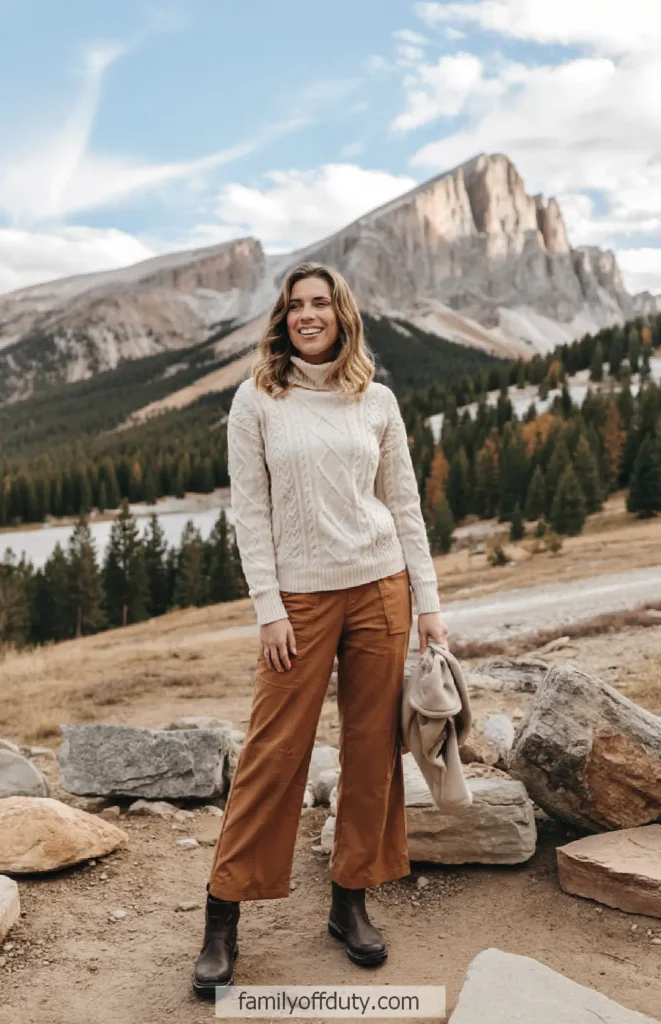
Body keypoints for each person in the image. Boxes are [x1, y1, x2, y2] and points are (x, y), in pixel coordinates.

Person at [193, 261, 449, 996]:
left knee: (371, 752)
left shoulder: (377, 400)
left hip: (380, 590)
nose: (307, 315)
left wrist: (426, 604)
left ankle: (350, 901)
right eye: (295, 304)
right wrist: (268, 607)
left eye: (320, 304)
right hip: (299, 602)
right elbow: (250, 512)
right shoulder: (257, 400)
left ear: (341, 314)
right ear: (283, 318)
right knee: (274, 753)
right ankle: (221, 917)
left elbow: (403, 508)